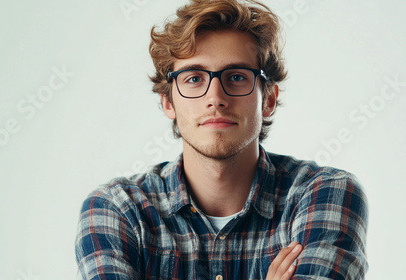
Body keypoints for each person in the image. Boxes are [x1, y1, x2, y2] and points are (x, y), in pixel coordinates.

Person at [75, 0, 368, 279]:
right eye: (194, 78)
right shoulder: (119, 209)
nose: (215, 98)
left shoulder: (323, 194)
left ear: (268, 99)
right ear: (168, 102)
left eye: (237, 77)